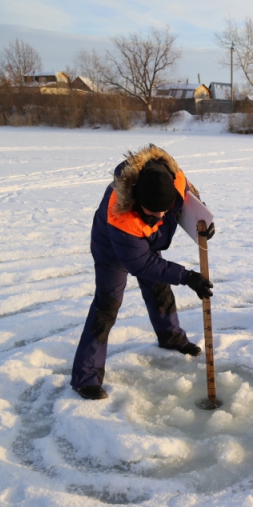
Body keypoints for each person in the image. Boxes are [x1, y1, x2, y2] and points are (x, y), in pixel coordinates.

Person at [70, 145, 215, 400]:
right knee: (107, 306)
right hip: (112, 251)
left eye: (165, 209)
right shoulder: (121, 215)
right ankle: (86, 377)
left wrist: (202, 219)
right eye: (154, 211)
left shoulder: (173, 178)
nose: (161, 215)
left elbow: (189, 195)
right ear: (137, 199)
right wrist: (187, 276)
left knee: (160, 288)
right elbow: (143, 264)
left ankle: (171, 338)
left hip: (144, 241)